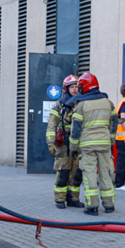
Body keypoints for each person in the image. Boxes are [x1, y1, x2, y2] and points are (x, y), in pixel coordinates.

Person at [70, 72, 118, 215]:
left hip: (88, 146)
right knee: (106, 174)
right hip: (104, 144)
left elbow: (75, 129)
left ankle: (92, 206)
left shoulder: (81, 105)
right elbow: (114, 123)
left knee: (89, 174)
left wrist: (73, 147)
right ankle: (109, 205)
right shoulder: (108, 102)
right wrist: (111, 140)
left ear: (84, 86)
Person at [46, 75, 83, 209]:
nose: (74, 89)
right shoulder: (60, 105)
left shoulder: (82, 103)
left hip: (79, 143)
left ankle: (73, 199)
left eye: (76, 87)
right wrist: (51, 143)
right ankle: (60, 199)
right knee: (64, 172)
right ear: (66, 89)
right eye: (72, 87)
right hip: (64, 145)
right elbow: (51, 125)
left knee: (77, 173)